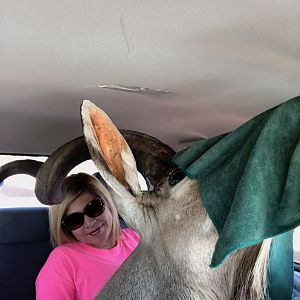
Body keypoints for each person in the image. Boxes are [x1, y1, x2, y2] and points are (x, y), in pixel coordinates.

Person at [35, 172, 140, 300]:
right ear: (65, 227)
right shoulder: (63, 260)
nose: (90, 222)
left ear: (107, 202)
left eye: (93, 208)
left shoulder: (137, 238)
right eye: (75, 220)